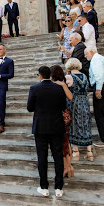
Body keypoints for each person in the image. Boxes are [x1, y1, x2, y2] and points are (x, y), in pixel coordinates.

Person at [27, 66, 69, 198]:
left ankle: (44, 187)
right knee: (58, 156)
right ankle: (58, 188)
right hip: (56, 125)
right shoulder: (59, 88)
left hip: (41, 126)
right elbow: (63, 106)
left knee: (42, 156)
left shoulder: (34, 88)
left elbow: (29, 108)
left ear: (40, 75)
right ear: (50, 75)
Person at [65, 58, 94, 162]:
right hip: (85, 101)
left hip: (75, 101)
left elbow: (66, 90)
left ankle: (76, 151)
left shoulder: (69, 76)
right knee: (86, 124)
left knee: (74, 123)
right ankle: (89, 152)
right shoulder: (84, 76)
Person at [50, 65, 74, 178]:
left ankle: (66, 167)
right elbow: (70, 97)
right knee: (66, 141)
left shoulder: (54, 85)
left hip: (58, 115)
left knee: (61, 143)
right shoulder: (63, 83)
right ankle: (69, 167)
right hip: (66, 114)